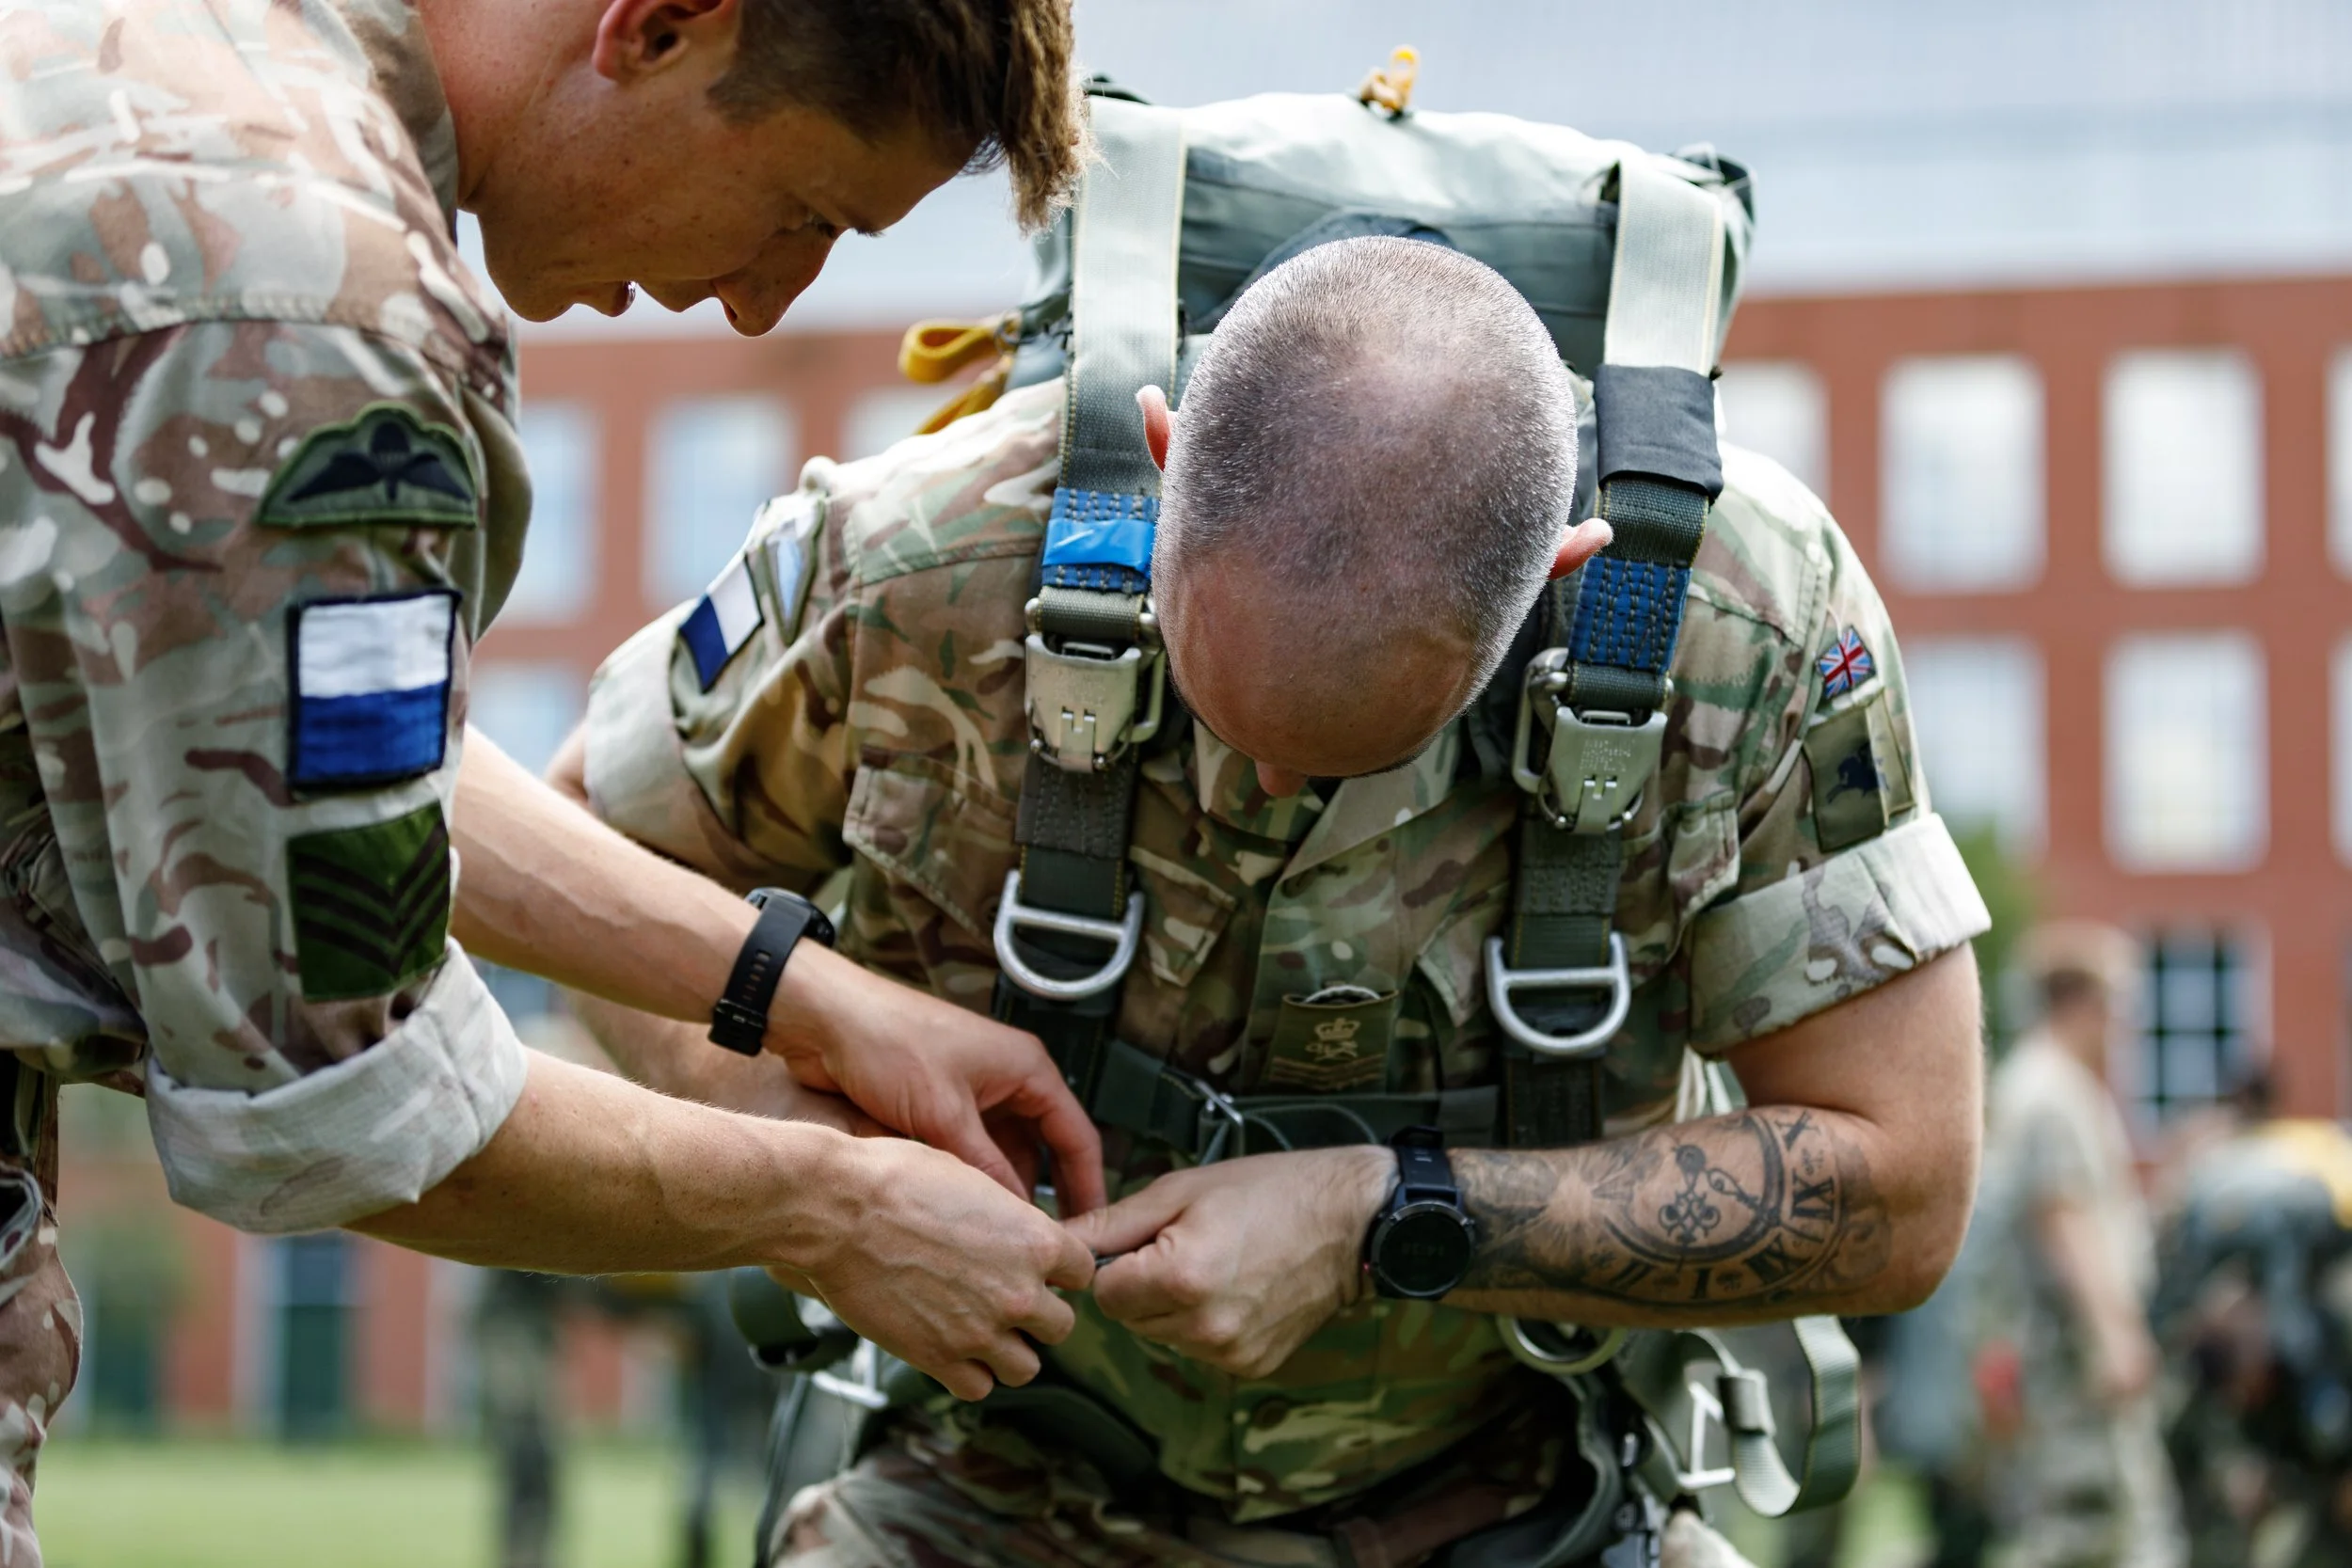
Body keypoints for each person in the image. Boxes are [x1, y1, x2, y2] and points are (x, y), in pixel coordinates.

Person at [560, 235, 1991, 1567]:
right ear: (1166, 459)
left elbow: (1907, 1186)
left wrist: (1390, 1215)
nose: (1249, 777)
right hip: (995, 1482)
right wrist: (829, 1184)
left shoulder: (1740, 625)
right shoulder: (919, 559)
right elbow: (589, 857)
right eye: (1204, 700)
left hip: (1515, 1489)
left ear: (1554, 581)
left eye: (1357, 744)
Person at [0, 0, 1102, 1556]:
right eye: (801, 213)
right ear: (658, 27)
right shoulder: (313, 316)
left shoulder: (164, 66)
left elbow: (258, 728)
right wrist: (833, 1210)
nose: (759, 307)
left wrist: (798, 986)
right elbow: (341, 1103)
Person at [1977, 923, 2184, 1568]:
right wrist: (2117, 1335)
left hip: (2061, 1357)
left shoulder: (2036, 1084)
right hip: (2073, 1363)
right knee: (2096, 1530)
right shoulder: (2051, 1093)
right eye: (2119, 1003)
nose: (2123, 1024)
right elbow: (2062, 1219)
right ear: (2081, 1000)